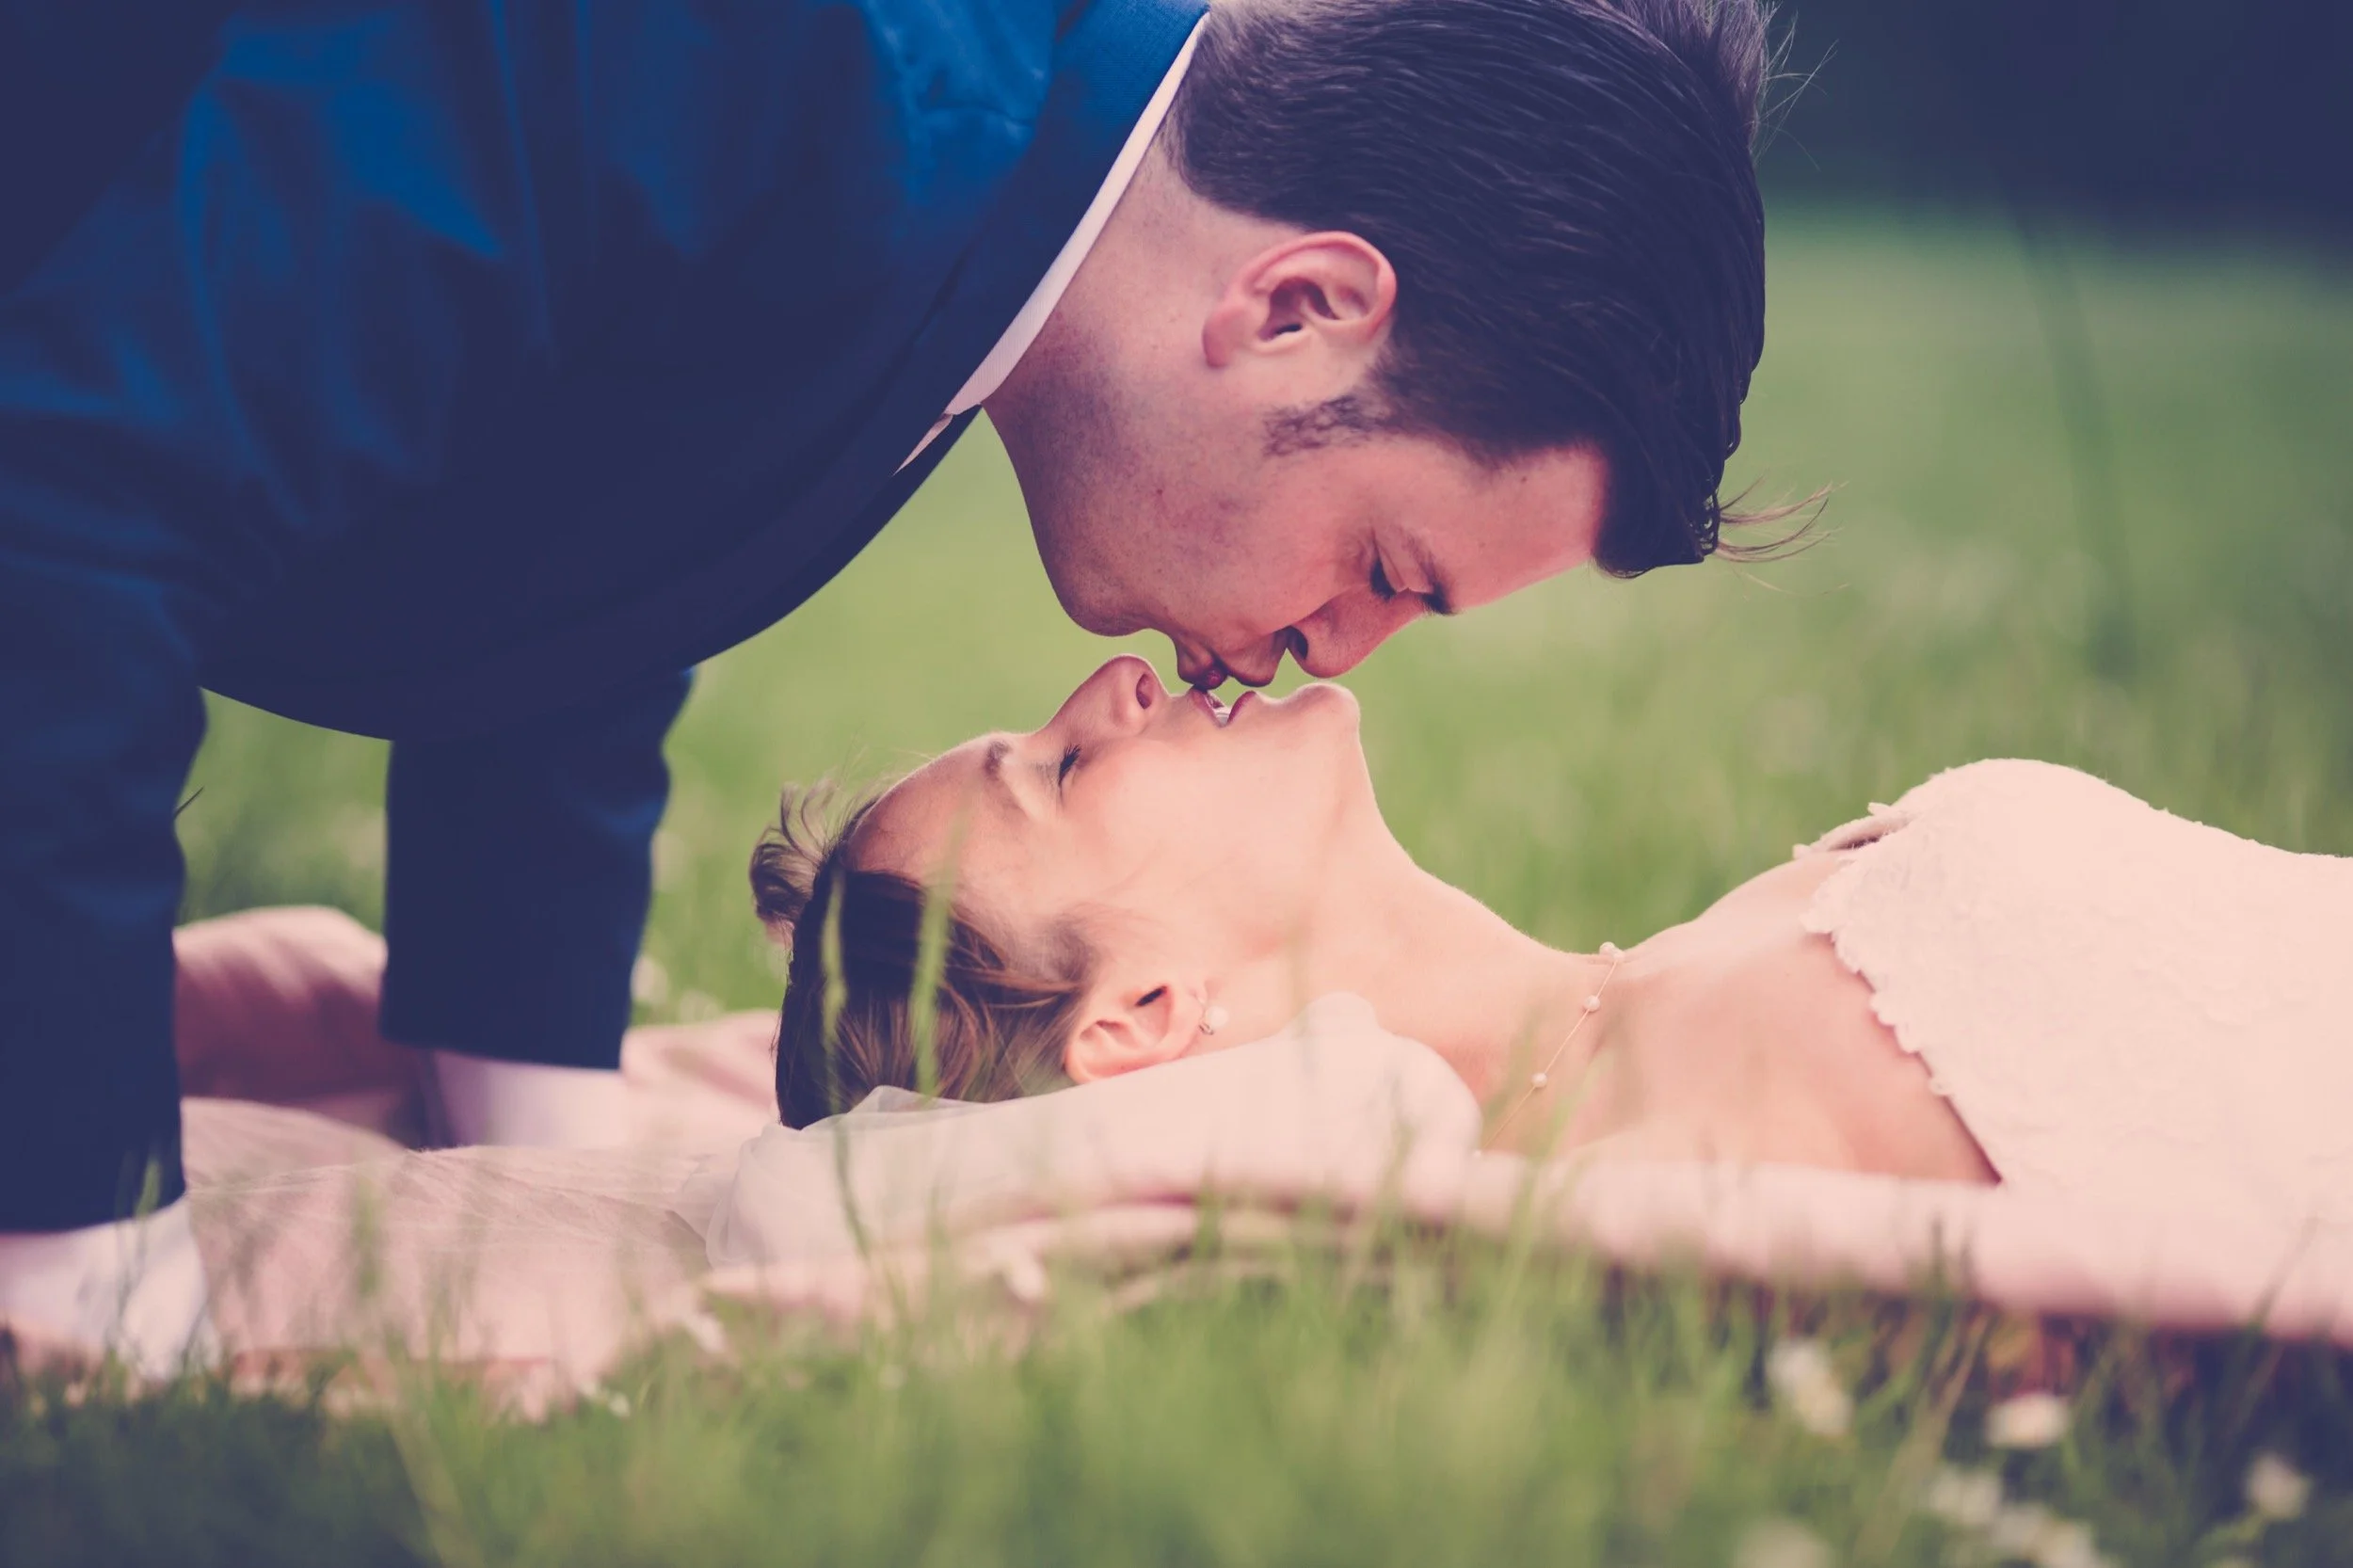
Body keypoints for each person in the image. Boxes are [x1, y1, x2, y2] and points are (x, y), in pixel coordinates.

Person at [0, 0, 1780, 1367]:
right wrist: (86, 1262)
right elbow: (74, 495)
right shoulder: (801, 55)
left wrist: (526, 1124)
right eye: (1383, 571)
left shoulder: (962, 182)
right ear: (1300, 303)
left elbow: (583, 506)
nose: (1334, 660)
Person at [753, 656, 2353, 1225]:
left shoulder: (1685, 961)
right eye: (1061, 770)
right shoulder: (1656, 1191)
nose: (1117, 676)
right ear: (1144, 1014)